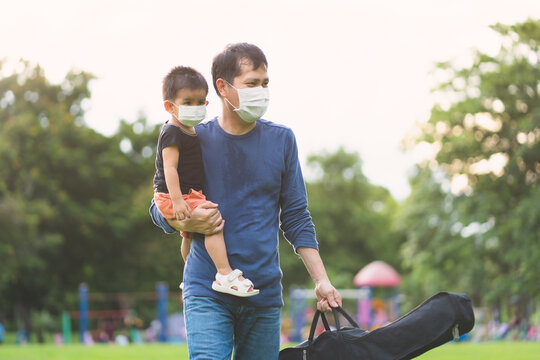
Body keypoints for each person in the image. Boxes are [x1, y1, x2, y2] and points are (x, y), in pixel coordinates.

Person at [149, 43, 342, 360]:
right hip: (206, 288)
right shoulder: (192, 137)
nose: (261, 91)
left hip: (263, 293)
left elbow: (295, 217)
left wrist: (321, 280)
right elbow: (159, 207)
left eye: (265, 83)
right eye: (252, 83)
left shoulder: (282, 140)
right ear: (223, 87)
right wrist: (182, 220)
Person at [151, 66, 258, 297]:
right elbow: (169, 168)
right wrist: (178, 202)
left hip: (190, 193)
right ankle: (224, 273)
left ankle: (190, 274)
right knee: (212, 221)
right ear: (170, 106)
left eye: (200, 102)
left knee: (189, 236)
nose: (195, 108)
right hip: (175, 195)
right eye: (187, 102)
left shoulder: (189, 130)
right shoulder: (172, 132)